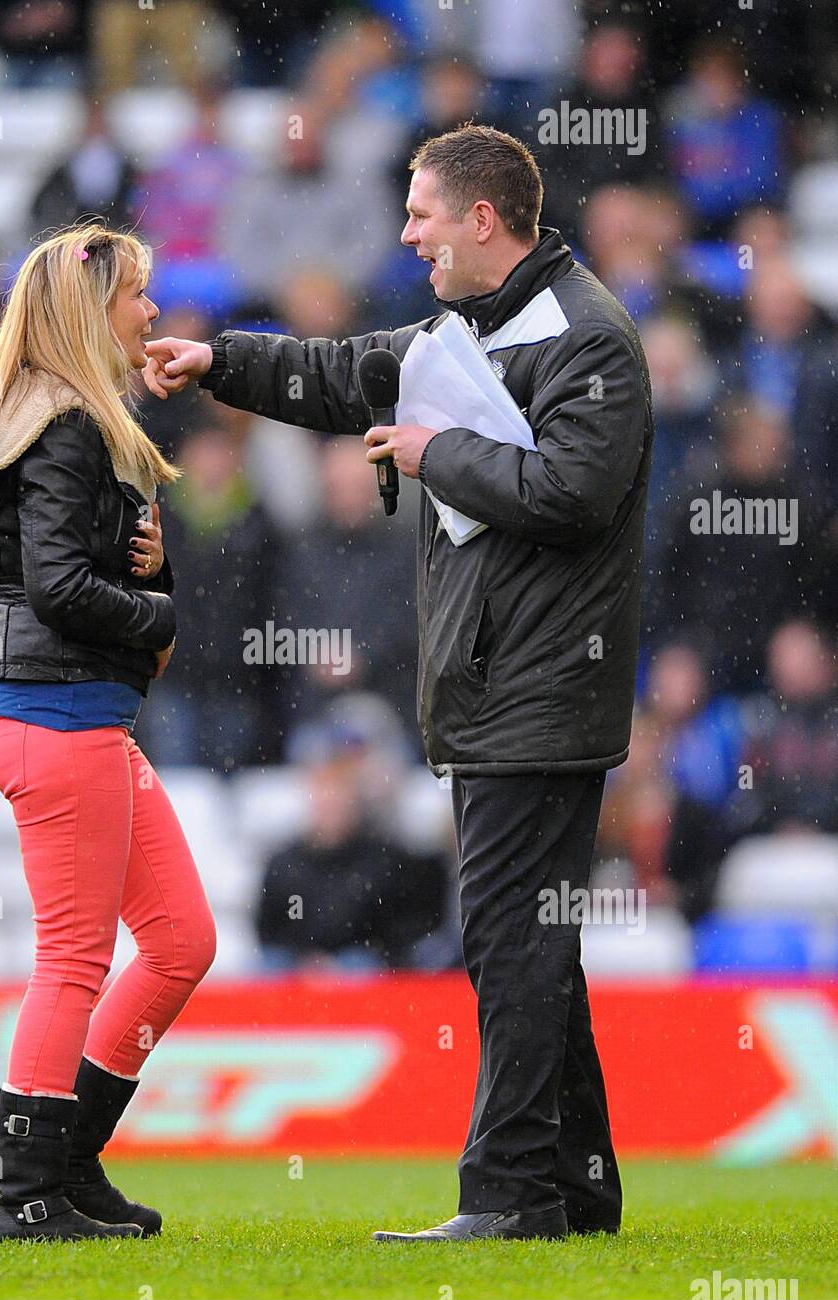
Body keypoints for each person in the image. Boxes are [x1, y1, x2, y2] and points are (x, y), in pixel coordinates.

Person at [144, 122, 651, 1243]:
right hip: (493, 688)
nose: (406, 231)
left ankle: (510, 1192)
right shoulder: (472, 326)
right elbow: (342, 372)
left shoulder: (589, 338)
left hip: (540, 689)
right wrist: (216, 360)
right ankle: (574, 1187)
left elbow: (573, 494)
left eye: (421, 212)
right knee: (530, 937)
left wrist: (431, 454)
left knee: (505, 935)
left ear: (482, 219)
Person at [0, 226, 216, 1243]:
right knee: (73, 959)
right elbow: (58, 586)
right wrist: (160, 618)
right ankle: (27, 1194)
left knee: (181, 940)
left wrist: (147, 575)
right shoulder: (66, 426)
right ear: (89, 313)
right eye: (138, 296)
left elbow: (64, 569)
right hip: (59, 716)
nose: (150, 312)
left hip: (58, 712)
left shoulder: (26, 417)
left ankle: (66, 1163)